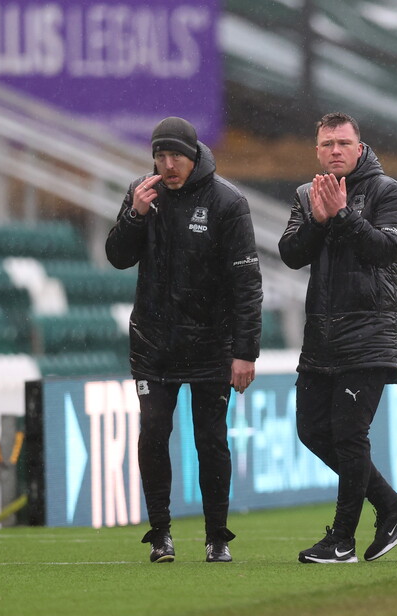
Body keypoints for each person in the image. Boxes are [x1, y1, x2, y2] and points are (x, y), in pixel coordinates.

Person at [106, 117, 263, 562]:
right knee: (153, 433)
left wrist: (245, 351)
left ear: (195, 156)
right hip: (153, 347)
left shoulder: (228, 202)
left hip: (211, 346)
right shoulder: (143, 194)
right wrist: (134, 215)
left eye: (176, 155)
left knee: (210, 439)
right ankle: (160, 535)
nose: (168, 164)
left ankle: (217, 537)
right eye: (160, 155)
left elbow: (247, 284)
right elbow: (117, 256)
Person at [279, 112, 397, 564]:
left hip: (369, 335)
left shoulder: (386, 190)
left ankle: (342, 539)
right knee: (310, 430)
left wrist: (341, 216)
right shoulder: (307, 194)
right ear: (317, 151)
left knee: (347, 433)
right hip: (320, 338)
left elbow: (385, 249)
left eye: (343, 142)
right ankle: (392, 507)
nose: (336, 150)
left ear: (360, 148)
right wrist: (319, 221)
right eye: (327, 144)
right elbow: (289, 254)